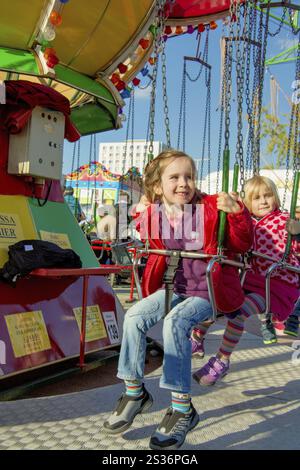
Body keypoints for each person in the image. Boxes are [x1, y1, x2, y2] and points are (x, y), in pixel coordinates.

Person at [103, 150, 253, 449]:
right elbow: (138, 230)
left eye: (189, 177)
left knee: (175, 323)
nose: (184, 183)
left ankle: (183, 409)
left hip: (209, 291)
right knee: (133, 317)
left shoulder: (212, 206)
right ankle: (135, 392)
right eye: (175, 177)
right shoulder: (157, 211)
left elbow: (242, 242)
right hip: (175, 288)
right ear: (158, 186)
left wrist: (237, 214)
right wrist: (134, 213)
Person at [192, 175, 300, 386]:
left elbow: (296, 250)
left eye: (268, 196)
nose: (264, 201)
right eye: (257, 197)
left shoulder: (284, 221)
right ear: (247, 203)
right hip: (249, 280)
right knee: (216, 302)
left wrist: (296, 236)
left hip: (276, 287)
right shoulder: (246, 222)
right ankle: (197, 336)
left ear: (275, 197)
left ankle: (222, 360)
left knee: (238, 313)